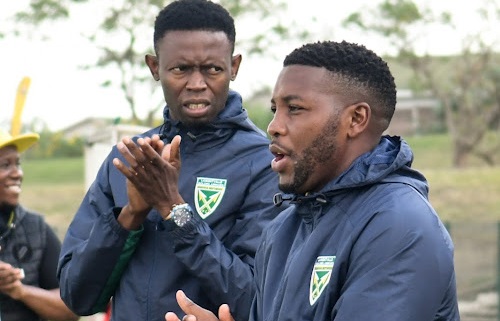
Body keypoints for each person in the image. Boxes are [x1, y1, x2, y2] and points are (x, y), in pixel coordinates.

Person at [164, 40, 460, 321]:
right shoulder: (282, 230)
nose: (274, 127)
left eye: (294, 109)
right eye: (274, 110)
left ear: (356, 119)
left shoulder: (400, 225)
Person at [57, 0, 284, 320]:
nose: (196, 84)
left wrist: (173, 210)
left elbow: (257, 300)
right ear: (154, 67)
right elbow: (77, 296)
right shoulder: (127, 160)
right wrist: (131, 215)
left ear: (234, 67)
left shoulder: (266, 164)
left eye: (213, 69)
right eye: (180, 69)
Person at [0, 129, 79, 321]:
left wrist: (18, 290)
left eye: (17, 163)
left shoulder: (36, 228)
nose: (17, 173)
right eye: (5, 165)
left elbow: (72, 308)